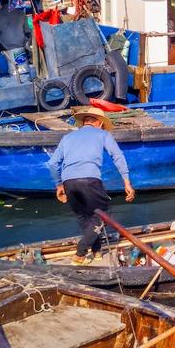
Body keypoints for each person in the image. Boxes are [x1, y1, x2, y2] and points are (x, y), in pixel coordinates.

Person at [48, 107, 135, 265]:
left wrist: (59, 185)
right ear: (100, 123)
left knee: (85, 218)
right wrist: (126, 181)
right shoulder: (103, 134)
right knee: (102, 215)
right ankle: (80, 253)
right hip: (90, 180)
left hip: (68, 182)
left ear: (84, 122)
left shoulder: (67, 137)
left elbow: (53, 164)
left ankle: (96, 252)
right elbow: (118, 156)